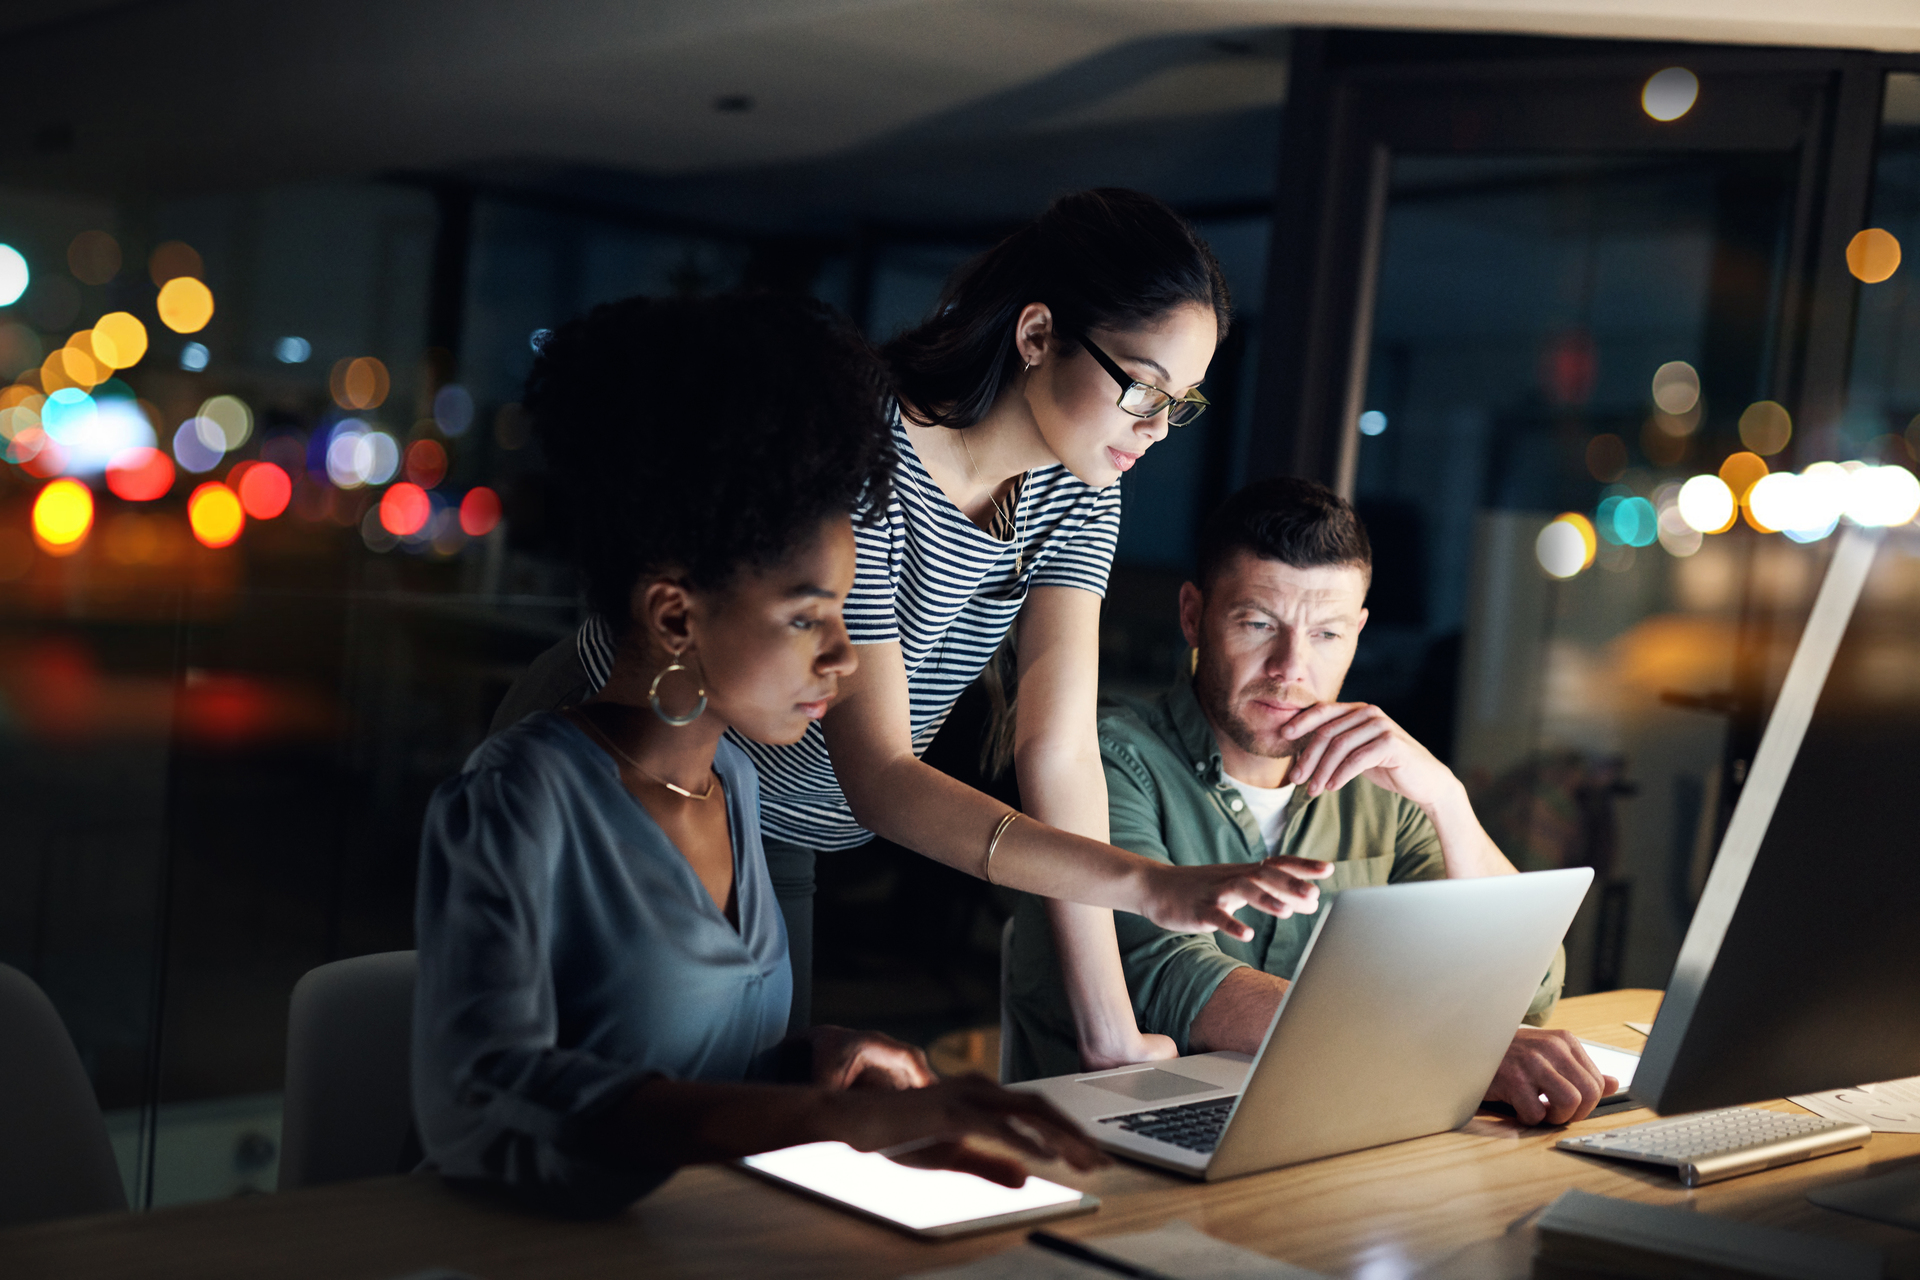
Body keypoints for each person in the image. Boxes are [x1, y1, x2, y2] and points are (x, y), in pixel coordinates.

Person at [490, 189, 1328, 1067]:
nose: (1157, 429)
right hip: (639, 742)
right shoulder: (861, 449)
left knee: (750, 1090)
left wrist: (1108, 1027)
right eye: (1142, 388)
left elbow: (1061, 753)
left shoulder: (1083, 490)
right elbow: (881, 774)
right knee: (571, 1071)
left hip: (784, 813)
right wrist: (1146, 884)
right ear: (1038, 335)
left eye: (1181, 403)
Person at [413, 294, 1104, 1215]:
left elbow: (682, 1059)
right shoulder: (518, 800)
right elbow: (486, 1104)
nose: (845, 655)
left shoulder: (731, 783)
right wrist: (824, 1124)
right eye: (805, 617)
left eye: (845, 611)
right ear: (674, 616)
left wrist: (819, 1067)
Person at [1003, 478, 1619, 1127]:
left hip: (1314, 1126)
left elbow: (1532, 986)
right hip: (1106, 1142)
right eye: (1258, 623)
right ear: (1193, 616)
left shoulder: (1384, 782)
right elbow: (1163, 976)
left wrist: (1447, 798)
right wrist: (1436, 1044)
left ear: (1357, 633)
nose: (1290, 666)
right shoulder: (1108, 760)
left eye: (1326, 634)